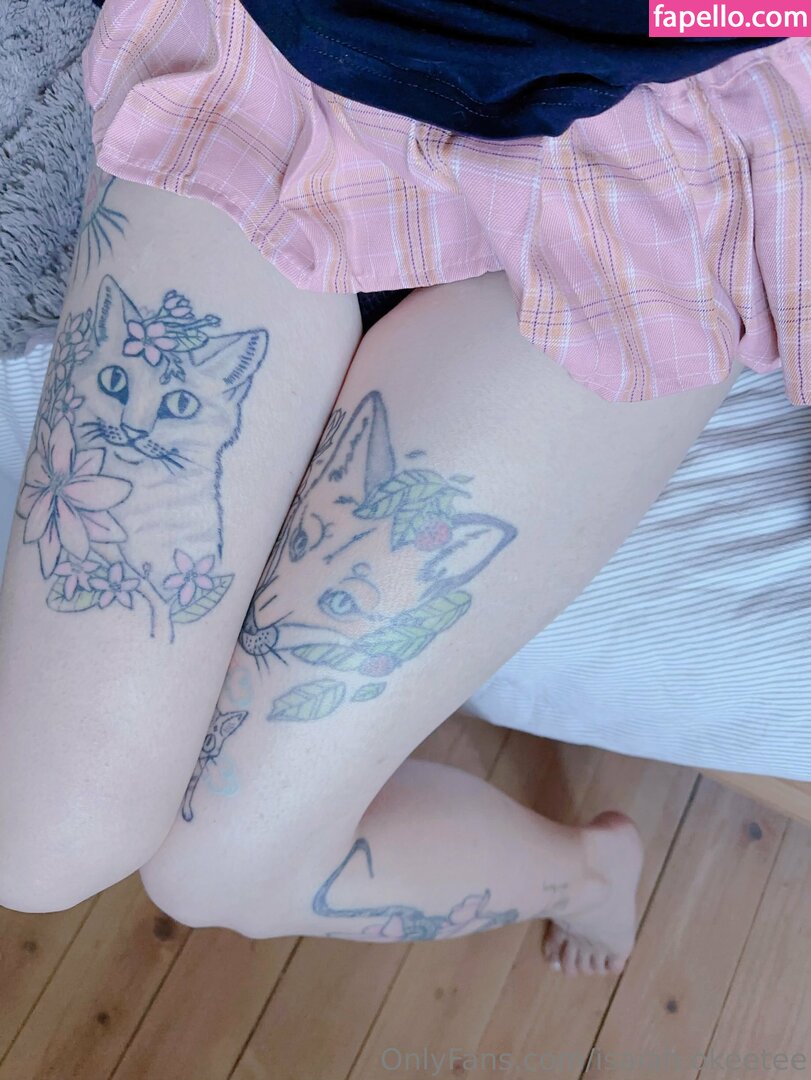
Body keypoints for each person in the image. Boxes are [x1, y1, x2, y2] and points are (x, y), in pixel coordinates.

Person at [0, 0, 806, 976]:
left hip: (666, 135)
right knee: (38, 844)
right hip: (303, 47)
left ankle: (586, 874)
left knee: (224, 874)